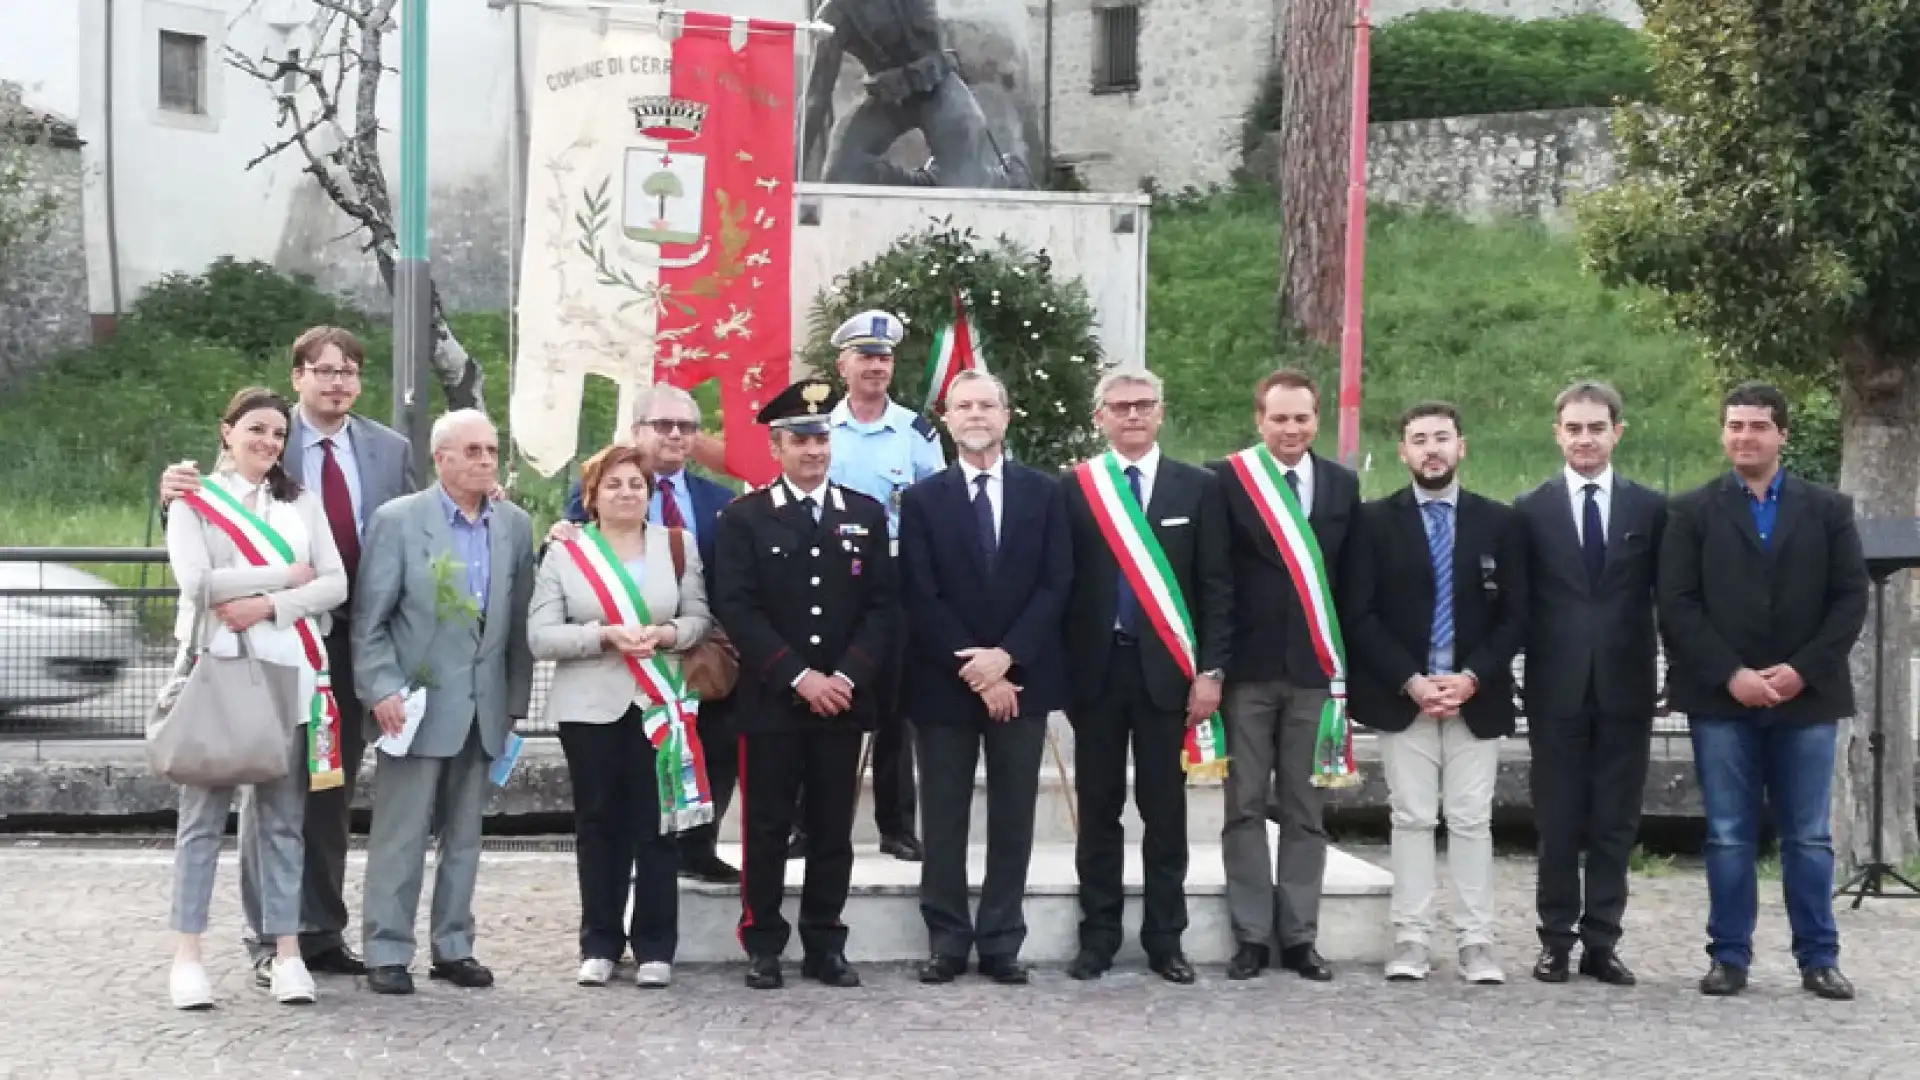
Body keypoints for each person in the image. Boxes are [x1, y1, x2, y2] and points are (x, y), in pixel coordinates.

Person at [157, 325, 415, 983]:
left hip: (345, 642)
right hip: (249, 650)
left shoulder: (387, 449)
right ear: (298, 375)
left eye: (350, 370)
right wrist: (282, 584)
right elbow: (200, 558)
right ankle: (265, 940)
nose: (338, 381)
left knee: (323, 792)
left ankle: (317, 932)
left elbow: (403, 528)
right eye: (324, 369)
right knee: (248, 791)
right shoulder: (269, 445)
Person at [1658, 382, 1867, 1001]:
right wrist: (1731, 673)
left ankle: (1819, 958)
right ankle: (1729, 957)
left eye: (1757, 425)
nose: (1744, 435)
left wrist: (1801, 669)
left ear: (1782, 435)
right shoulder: (1691, 511)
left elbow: (1848, 598)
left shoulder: (1828, 509)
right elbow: (1677, 604)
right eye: (1734, 425)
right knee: (1727, 832)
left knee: (1808, 834)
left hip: (1808, 697)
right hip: (1723, 698)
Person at [163, 387, 349, 1009]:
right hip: (220, 674)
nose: (268, 442)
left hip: (290, 677)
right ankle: (187, 955)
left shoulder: (302, 504)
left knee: (283, 823)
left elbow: (335, 583)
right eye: (256, 430)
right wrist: (284, 576)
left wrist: (270, 604)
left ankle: (287, 951)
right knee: (201, 824)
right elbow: (196, 582)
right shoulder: (194, 501)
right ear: (227, 432)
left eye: (277, 433)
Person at [710, 378, 898, 990]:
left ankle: (825, 940)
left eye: (821, 438)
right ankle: (762, 941)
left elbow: (883, 609)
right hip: (771, 701)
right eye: (800, 440)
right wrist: (799, 675)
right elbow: (737, 608)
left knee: (831, 829)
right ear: (776, 447)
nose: (813, 451)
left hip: (840, 703)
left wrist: (842, 676)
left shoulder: (865, 515)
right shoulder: (745, 517)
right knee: (765, 827)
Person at [352, 409, 536, 996]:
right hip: (414, 706)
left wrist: (513, 703)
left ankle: (454, 945)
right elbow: (370, 621)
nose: (486, 460)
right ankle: (386, 948)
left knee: (465, 837)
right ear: (442, 458)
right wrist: (380, 687)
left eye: (492, 449)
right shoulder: (399, 521)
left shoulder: (514, 525)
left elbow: (517, 626)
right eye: (474, 450)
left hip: (484, 707)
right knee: (401, 835)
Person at [898, 370, 1071, 986]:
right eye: (964, 405)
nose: (977, 414)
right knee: (942, 818)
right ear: (946, 418)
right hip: (945, 684)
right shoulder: (921, 500)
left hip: (1022, 681)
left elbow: (1057, 584)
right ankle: (946, 938)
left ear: (1007, 414)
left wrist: (1007, 659)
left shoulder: (1046, 494)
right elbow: (920, 593)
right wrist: (976, 668)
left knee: (1013, 815)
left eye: (987, 404)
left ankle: (1001, 939)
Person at [1061, 369, 1233, 984]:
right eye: (1119, 406)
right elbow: (1064, 585)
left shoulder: (1199, 487)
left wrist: (1211, 672)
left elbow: (1217, 588)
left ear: (1160, 413)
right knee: (1099, 812)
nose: (1132, 415)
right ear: (1099, 417)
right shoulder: (1078, 488)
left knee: (1165, 815)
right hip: (1098, 674)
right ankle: (1099, 936)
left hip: (1170, 679)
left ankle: (1166, 939)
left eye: (1143, 405)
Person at [1345, 401, 1525, 985]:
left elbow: (1517, 614)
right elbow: (1360, 612)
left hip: (1477, 694)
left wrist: (1472, 677)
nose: (1431, 449)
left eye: (1442, 438)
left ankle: (1477, 942)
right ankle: (1412, 939)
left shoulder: (1499, 522)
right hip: (1406, 697)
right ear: (1403, 452)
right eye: (1419, 439)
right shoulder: (1373, 522)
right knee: (1413, 817)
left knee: (1472, 819)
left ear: (1461, 446)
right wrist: (1413, 680)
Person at [531, 442, 714, 990]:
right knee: (598, 823)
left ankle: (656, 944)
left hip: (659, 701)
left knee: (657, 825)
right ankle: (600, 942)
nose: (627, 492)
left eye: (636, 483)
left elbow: (700, 617)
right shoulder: (566, 553)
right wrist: (604, 636)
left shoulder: (677, 546)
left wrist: (667, 634)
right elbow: (540, 635)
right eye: (614, 484)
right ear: (592, 495)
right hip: (589, 707)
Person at [1205, 370, 1362, 982]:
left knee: (1305, 810)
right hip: (1246, 671)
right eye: (1279, 418)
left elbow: (1351, 584)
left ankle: (1299, 935)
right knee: (1243, 806)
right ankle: (1249, 935)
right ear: (1259, 420)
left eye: (1301, 418)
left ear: (1316, 420)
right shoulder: (1227, 480)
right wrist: (1212, 667)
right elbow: (1215, 580)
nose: (1291, 429)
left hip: (1316, 675)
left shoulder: (1343, 486)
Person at [1513, 381, 1666, 987]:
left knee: (1615, 823)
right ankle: (1555, 941)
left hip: (1627, 690)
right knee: (1557, 822)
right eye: (1573, 428)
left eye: (1596, 428)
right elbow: (1519, 604)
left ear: (1616, 432)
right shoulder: (1530, 509)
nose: (1584, 439)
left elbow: (1667, 598)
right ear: (1557, 433)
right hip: (1556, 690)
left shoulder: (1650, 509)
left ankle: (1603, 940)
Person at [556, 385, 741, 884]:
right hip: (626, 660)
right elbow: (569, 569)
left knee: (715, 750)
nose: (676, 435)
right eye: (663, 425)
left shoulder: (720, 502)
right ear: (637, 430)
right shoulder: (592, 496)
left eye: (686, 427)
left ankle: (698, 846)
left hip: (698, 651)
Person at [818, 309, 946, 862]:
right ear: (842, 364)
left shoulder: (916, 433)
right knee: (826, 705)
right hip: (828, 581)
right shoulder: (817, 427)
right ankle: (815, 823)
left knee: (897, 710)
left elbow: (937, 506)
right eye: (866, 356)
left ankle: (896, 825)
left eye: (885, 357)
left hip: (893, 579)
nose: (876, 366)